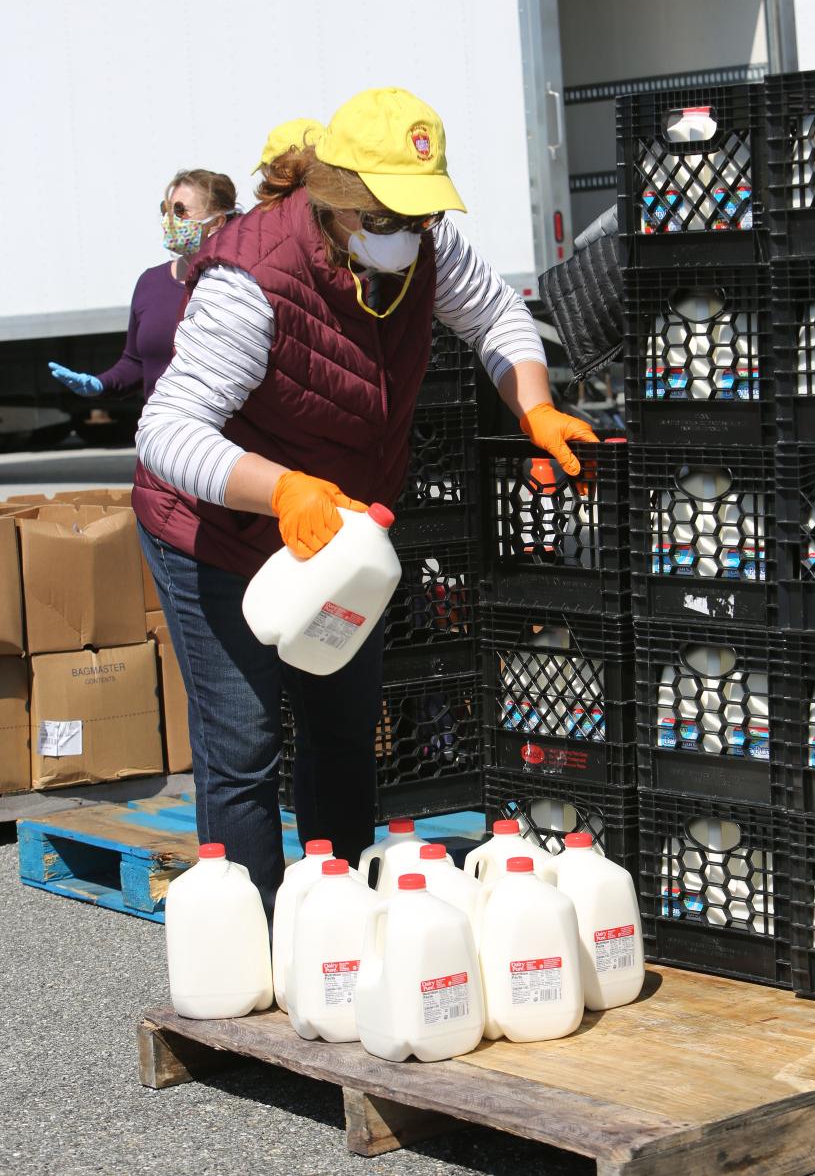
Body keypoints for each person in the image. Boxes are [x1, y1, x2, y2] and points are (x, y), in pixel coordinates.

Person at [134, 87, 598, 919]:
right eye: (393, 217)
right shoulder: (250, 281)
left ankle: (335, 925)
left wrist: (533, 402)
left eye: (422, 217)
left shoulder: (419, 244)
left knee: (345, 729)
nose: (414, 234)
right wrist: (280, 488)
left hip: (339, 541)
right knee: (245, 745)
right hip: (216, 533)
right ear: (341, 204)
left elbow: (496, 314)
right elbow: (166, 430)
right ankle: (260, 949)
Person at [47, 170, 239, 404]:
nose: (170, 220)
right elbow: (136, 363)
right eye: (165, 210)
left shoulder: (236, 283)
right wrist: (100, 384)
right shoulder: (150, 282)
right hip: (163, 432)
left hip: (219, 434)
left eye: (180, 211)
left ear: (217, 222)